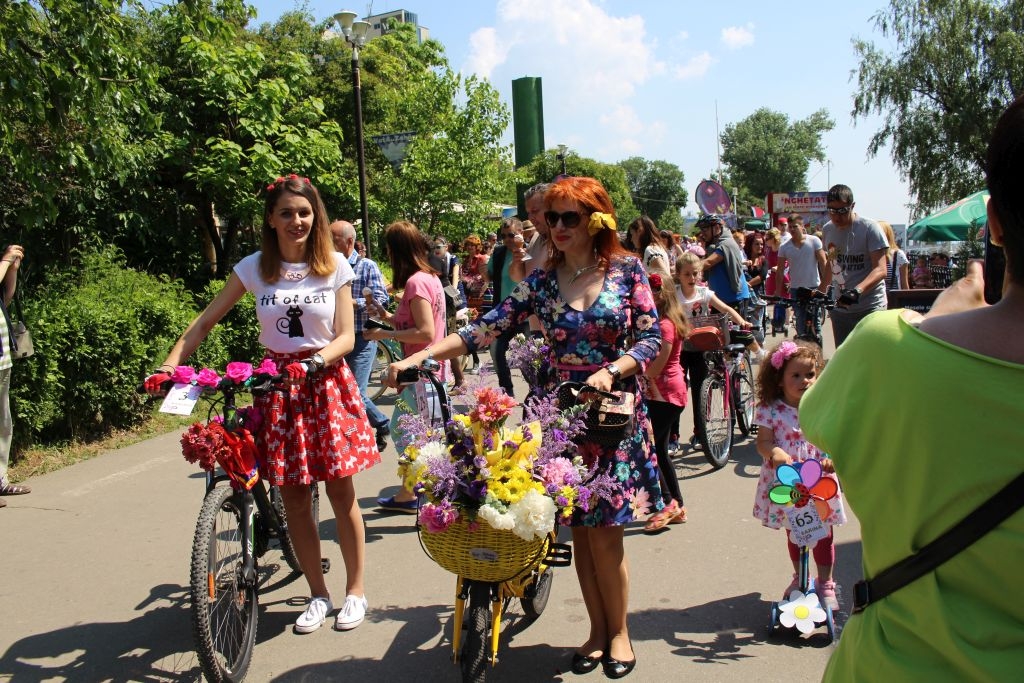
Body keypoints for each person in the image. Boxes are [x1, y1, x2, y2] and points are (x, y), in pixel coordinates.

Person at [386, 176, 663, 678]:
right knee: (579, 535)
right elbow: (483, 328)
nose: (556, 226)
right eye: (551, 217)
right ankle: (596, 632)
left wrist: (610, 370)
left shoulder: (627, 270)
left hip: (612, 418)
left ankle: (620, 634)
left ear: (596, 219)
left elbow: (649, 340)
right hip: (560, 420)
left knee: (606, 537)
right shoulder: (541, 281)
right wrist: (420, 357)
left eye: (569, 216)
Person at [802, 95, 1024, 682]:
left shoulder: (885, 351)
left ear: (995, 223)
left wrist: (936, 320)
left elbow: (817, 422)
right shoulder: (831, 241)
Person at [144, 175, 379, 633]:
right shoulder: (253, 268)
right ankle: (318, 593)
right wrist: (170, 365)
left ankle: (355, 591)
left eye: (304, 213)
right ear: (270, 219)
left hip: (324, 382)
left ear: (316, 217)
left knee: (340, 492)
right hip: (277, 387)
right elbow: (204, 322)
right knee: (293, 497)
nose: (297, 221)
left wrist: (314, 362)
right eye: (286, 213)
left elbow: (348, 336)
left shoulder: (334, 265)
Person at [753, 339, 845, 611]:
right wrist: (774, 452)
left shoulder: (822, 406)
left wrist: (831, 458)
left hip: (819, 484)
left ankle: (825, 582)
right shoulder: (771, 408)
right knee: (795, 532)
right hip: (788, 482)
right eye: (795, 375)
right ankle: (799, 577)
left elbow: (834, 438)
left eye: (810, 374)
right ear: (779, 379)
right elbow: (763, 442)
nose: (804, 380)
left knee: (824, 535)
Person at [364, 221, 449, 513]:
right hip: (428, 371)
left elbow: (425, 332)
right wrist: (387, 316)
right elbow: (417, 324)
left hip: (421, 373)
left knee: (405, 432)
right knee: (421, 434)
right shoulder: (429, 277)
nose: (387, 255)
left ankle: (418, 493)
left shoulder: (416, 282)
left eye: (389, 249)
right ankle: (411, 492)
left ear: (397, 250)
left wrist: (383, 333)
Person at [675, 251, 755, 450]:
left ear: (700, 274)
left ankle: (699, 434)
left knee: (700, 393)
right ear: (678, 275)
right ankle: (673, 437)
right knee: (676, 392)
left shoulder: (705, 293)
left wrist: (742, 321)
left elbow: (726, 309)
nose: (692, 278)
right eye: (687, 274)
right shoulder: (673, 295)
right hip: (679, 348)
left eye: (695, 273)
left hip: (701, 347)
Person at [331, 220, 391, 452]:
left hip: (362, 338)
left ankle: (382, 424)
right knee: (338, 392)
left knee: (354, 391)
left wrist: (349, 303)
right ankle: (349, 439)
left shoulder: (366, 266)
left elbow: (381, 299)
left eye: (333, 239)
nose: (327, 243)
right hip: (335, 340)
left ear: (349, 241)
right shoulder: (328, 266)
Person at [642, 272, 689, 532]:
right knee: (659, 449)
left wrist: (635, 369)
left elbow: (657, 367)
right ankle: (677, 504)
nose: (649, 294)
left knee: (651, 450)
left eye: (654, 290)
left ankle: (670, 502)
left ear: (664, 294)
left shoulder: (665, 326)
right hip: (667, 394)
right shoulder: (667, 321)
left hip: (665, 395)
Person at [820, 184, 888, 345]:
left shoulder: (870, 228)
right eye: (832, 210)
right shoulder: (828, 230)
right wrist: (820, 291)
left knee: (869, 355)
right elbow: (832, 262)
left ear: (852, 206)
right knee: (844, 355)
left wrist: (857, 291)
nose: (837, 216)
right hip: (841, 308)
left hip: (870, 307)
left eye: (842, 210)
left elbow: (881, 269)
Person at [485, 217, 529, 397]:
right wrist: (483, 271)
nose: (507, 239)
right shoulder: (499, 253)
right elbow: (489, 275)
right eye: (503, 236)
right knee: (495, 350)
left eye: (511, 235)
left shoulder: (528, 251)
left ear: (521, 233)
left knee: (528, 356)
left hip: (527, 313)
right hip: (503, 312)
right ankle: (507, 391)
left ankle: (536, 390)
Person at [0, 244, 28, 504]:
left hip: (2, 361)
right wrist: (5, 261)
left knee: (4, 423)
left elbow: (6, 298)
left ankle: (1, 480)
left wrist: (12, 269)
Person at [775, 213, 827, 339]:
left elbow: (823, 263)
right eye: (790, 227)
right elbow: (780, 271)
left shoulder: (814, 241)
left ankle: (817, 345)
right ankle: (802, 344)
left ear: (802, 226)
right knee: (800, 321)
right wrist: (777, 292)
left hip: (814, 287)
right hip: (796, 289)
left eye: (795, 226)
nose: (792, 229)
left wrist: (825, 285)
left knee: (815, 322)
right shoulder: (784, 247)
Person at [697, 214, 754, 322]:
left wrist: (684, 268)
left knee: (738, 331)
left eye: (705, 229)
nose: (702, 233)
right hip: (720, 300)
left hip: (735, 298)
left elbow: (708, 262)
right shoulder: (716, 244)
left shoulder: (726, 243)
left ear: (716, 227)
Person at [428, 236, 465, 392]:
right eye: (434, 247)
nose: (436, 249)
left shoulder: (442, 260)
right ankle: (445, 378)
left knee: (447, 340)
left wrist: (454, 290)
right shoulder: (431, 259)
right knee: (441, 341)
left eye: (439, 246)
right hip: (440, 297)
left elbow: (454, 278)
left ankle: (460, 379)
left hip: (447, 298)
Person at [460, 235, 489, 372]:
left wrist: (480, 289)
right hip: (468, 296)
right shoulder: (465, 260)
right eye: (468, 245)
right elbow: (462, 276)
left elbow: (486, 278)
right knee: (470, 327)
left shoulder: (482, 258)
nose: (470, 247)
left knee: (477, 328)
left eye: (472, 245)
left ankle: (478, 361)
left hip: (480, 296)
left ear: (477, 246)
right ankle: (476, 360)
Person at [629, 215, 672, 280]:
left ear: (639, 231)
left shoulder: (650, 250)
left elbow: (666, 278)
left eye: (632, 234)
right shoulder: (655, 248)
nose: (631, 239)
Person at [879, 221, 909, 291]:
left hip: (894, 296)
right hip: (875, 297)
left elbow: (904, 283)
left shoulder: (898, 255)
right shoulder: (869, 255)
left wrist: (907, 297)